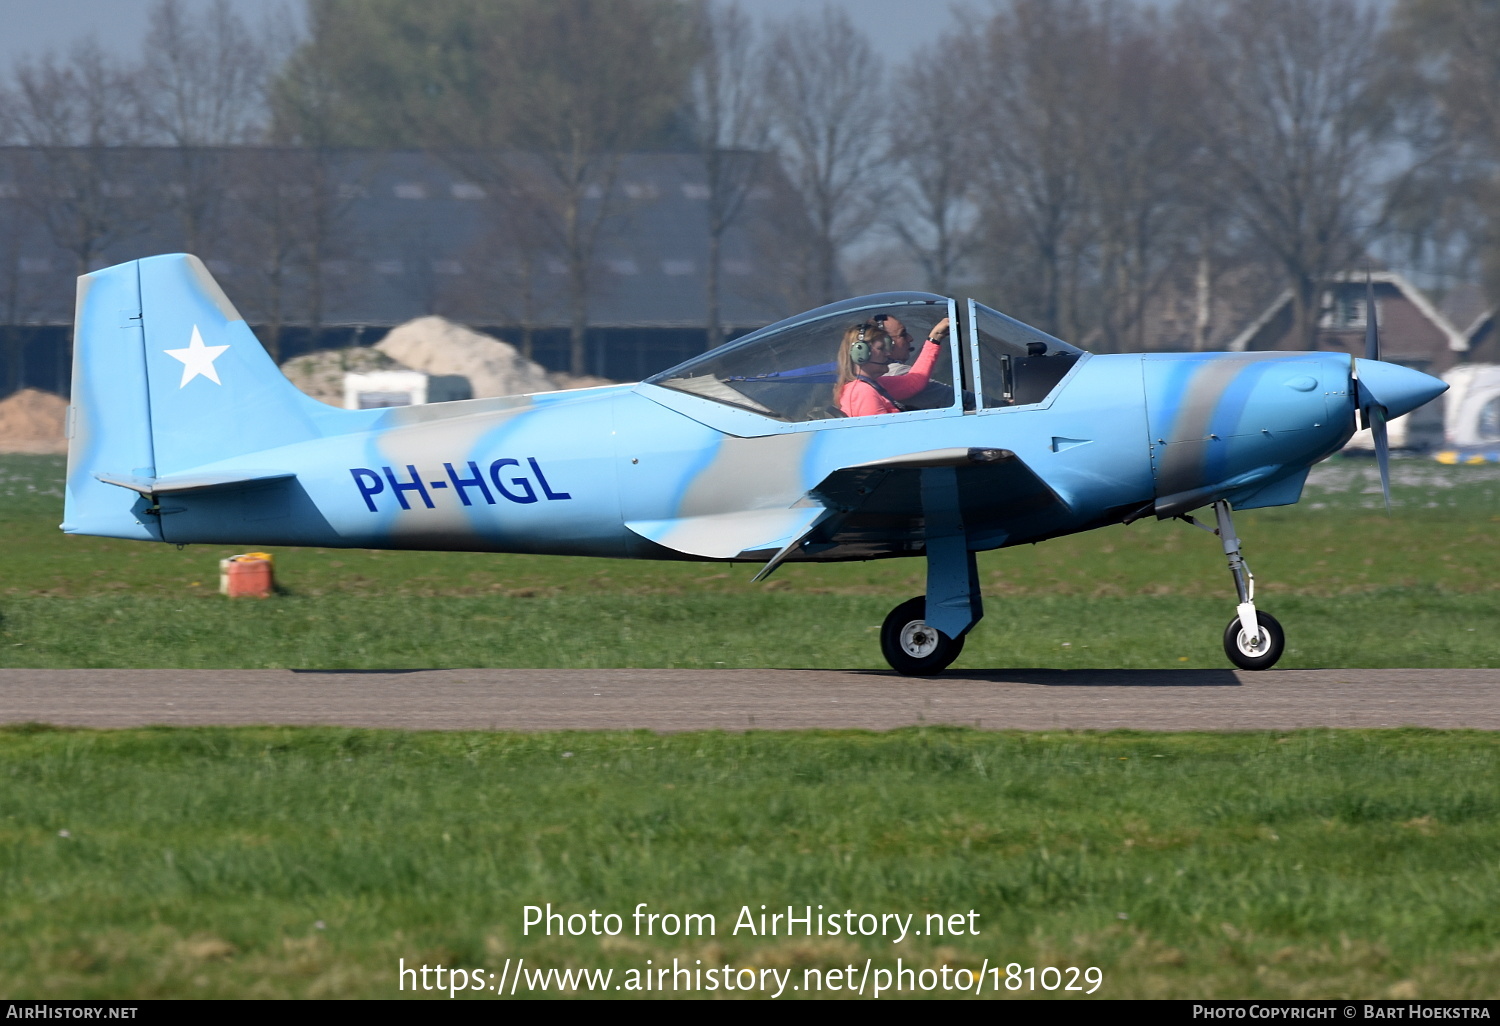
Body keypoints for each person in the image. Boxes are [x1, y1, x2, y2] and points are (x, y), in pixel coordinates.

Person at [835, 317, 950, 417]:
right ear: (861, 354)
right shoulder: (863, 392)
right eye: (881, 349)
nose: (888, 354)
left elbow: (913, 382)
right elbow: (881, 437)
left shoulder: (875, 384)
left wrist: (935, 338)